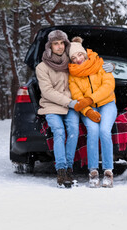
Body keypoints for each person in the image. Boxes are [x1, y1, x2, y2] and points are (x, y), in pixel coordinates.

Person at [68, 37, 117, 188]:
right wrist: (88, 110)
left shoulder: (100, 65)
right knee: (93, 131)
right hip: (89, 109)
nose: (78, 59)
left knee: (104, 131)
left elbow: (108, 86)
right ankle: (93, 171)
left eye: (79, 55)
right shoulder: (73, 75)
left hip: (107, 103)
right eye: (73, 57)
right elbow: (77, 97)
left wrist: (90, 99)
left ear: (85, 53)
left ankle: (108, 171)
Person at [36, 30, 80, 188]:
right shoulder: (42, 67)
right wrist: (70, 102)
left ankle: (69, 168)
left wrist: (110, 67)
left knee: (74, 130)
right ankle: (61, 170)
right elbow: (47, 91)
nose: (60, 46)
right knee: (59, 131)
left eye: (62, 43)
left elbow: (90, 66)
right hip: (51, 105)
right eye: (56, 43)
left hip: (71, 105)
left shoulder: (71, 62)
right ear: (50, 46)